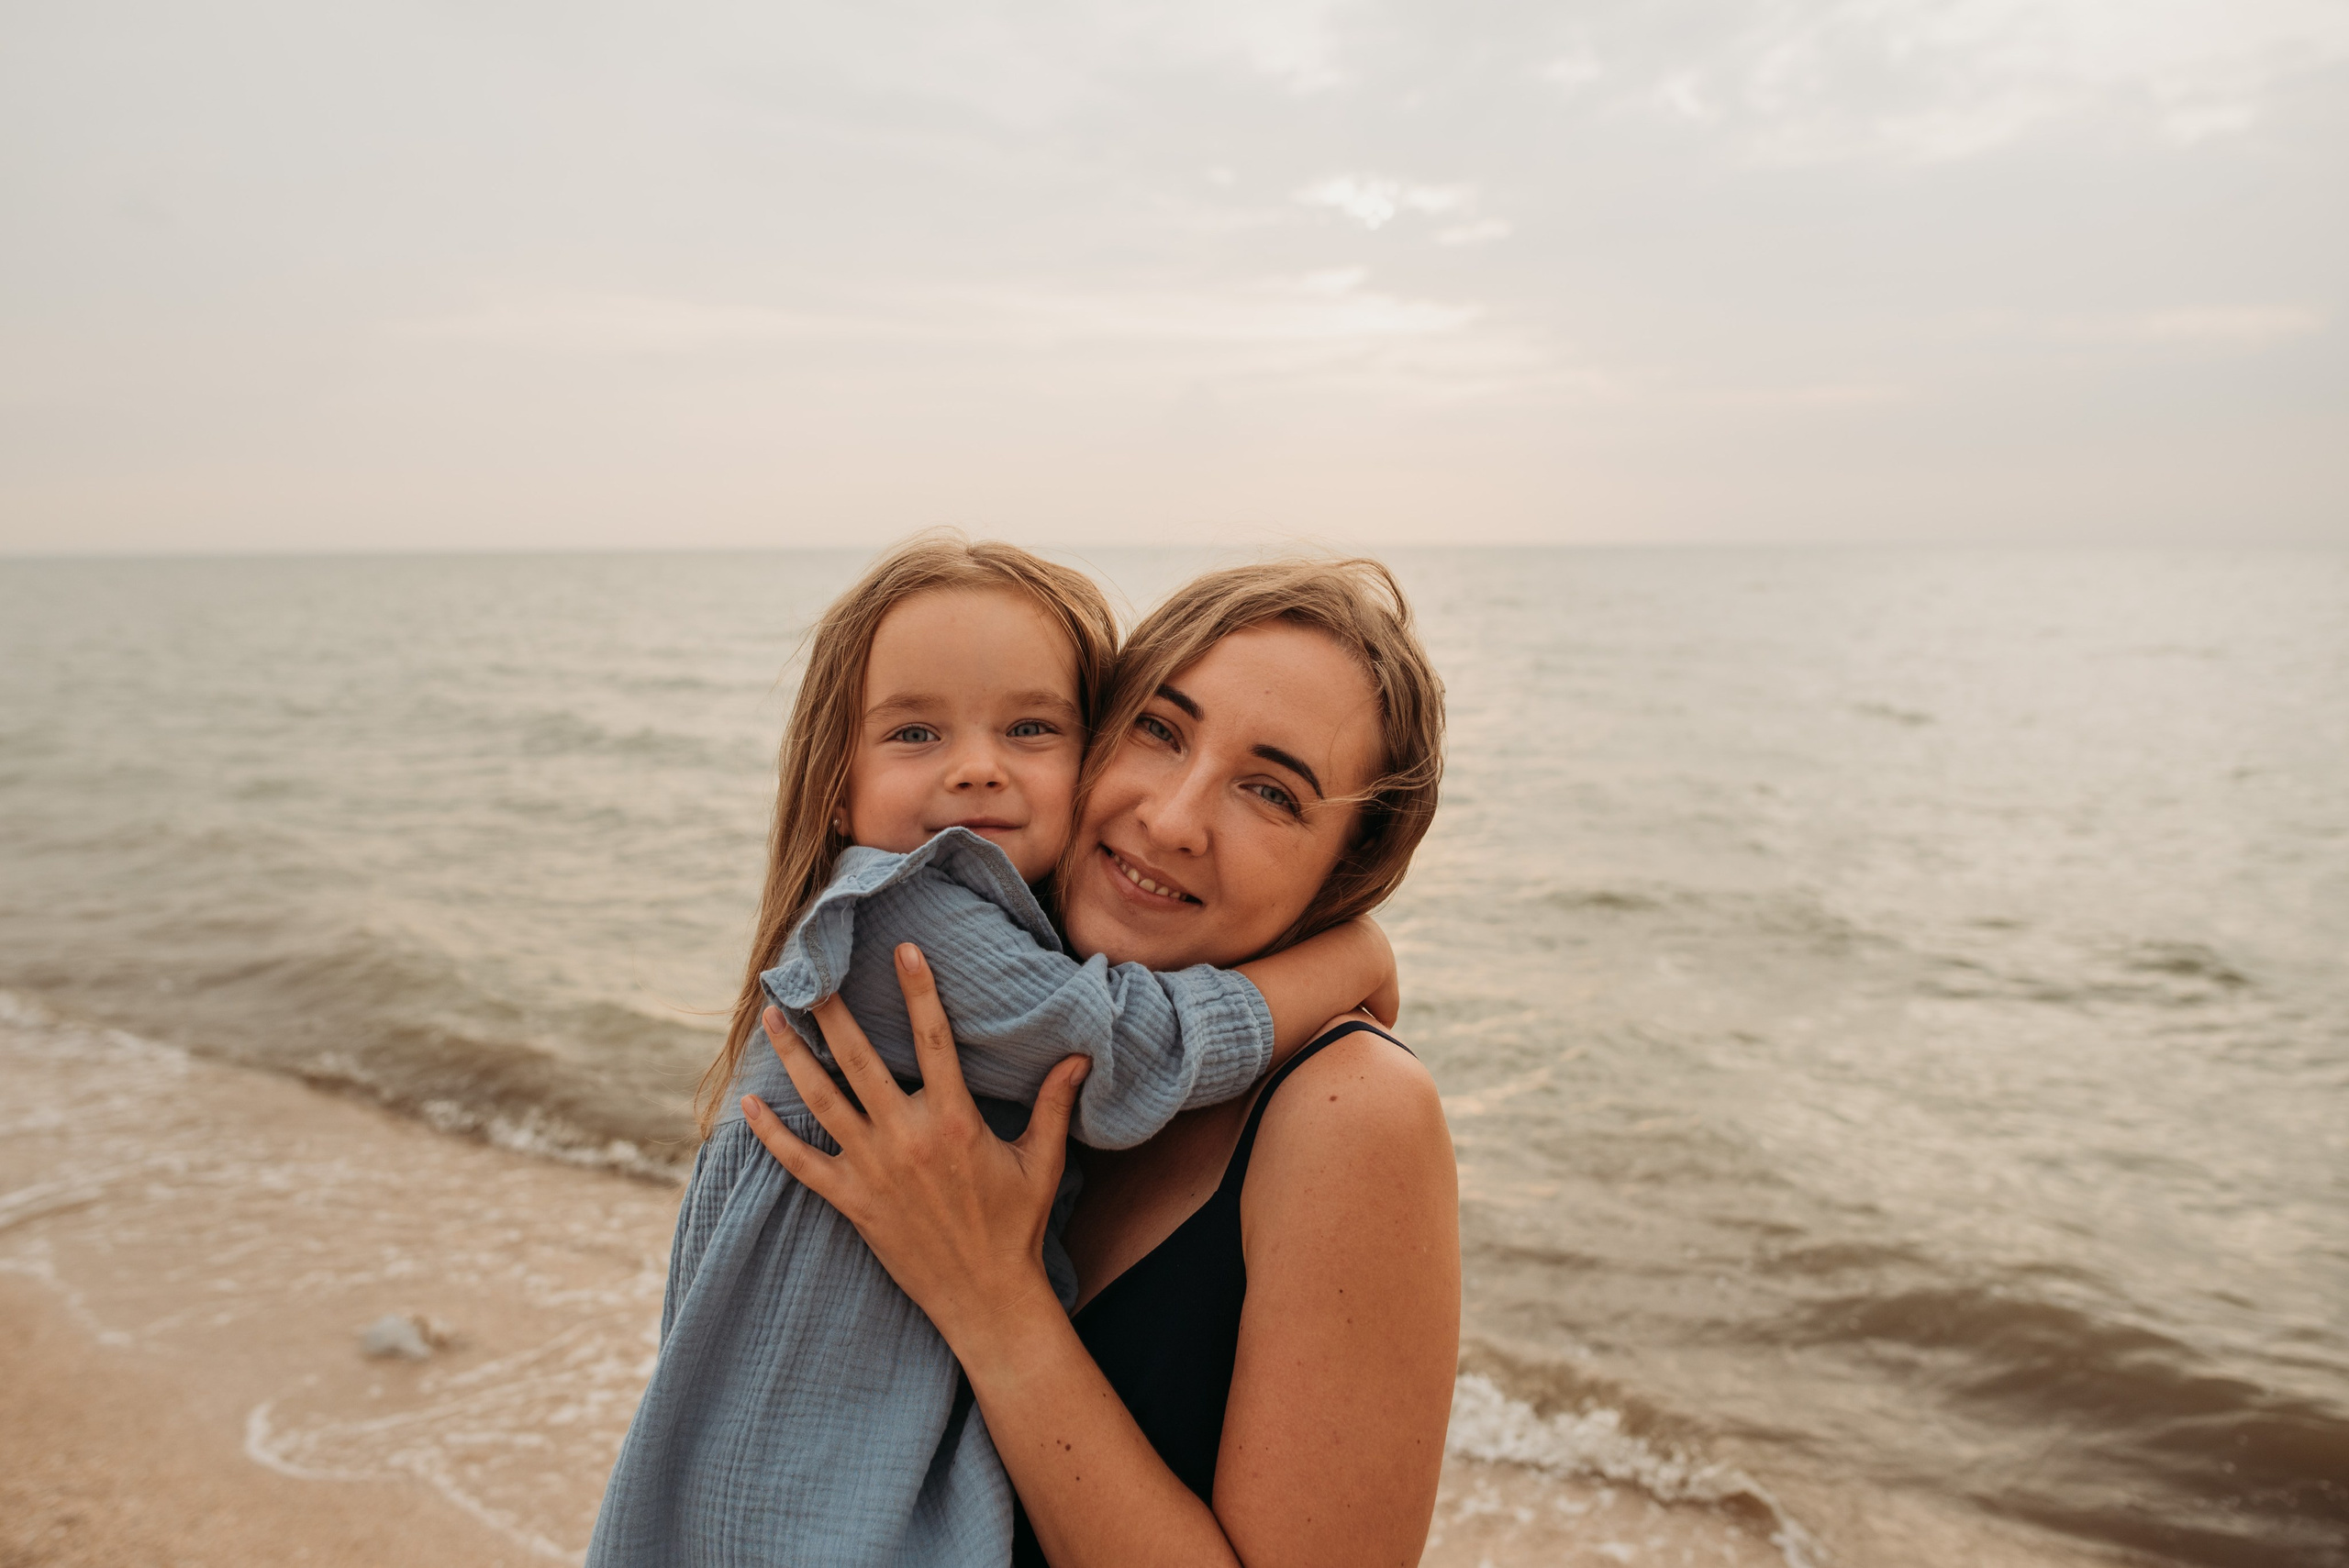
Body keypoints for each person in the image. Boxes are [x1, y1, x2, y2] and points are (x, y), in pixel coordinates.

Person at [585, 538, 1397, 1567]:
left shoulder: (1350, 1105)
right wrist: (1355, 953)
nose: (1174, 816)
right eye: (1157, 729)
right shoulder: (903, 913)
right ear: (836, 781)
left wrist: (994, 1300)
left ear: (1353, 859)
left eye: (1272, 790)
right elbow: (1130, 1052)